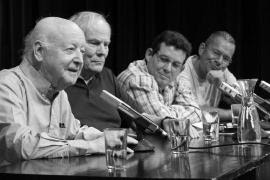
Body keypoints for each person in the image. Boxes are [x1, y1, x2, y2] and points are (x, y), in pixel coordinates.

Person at [0, 17, 137, 164]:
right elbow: (19, 145)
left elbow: (74, 133)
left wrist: (108, 138)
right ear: (39, 51)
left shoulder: (59, 92)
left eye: (82, 51)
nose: (80, 60)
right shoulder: (6, 85)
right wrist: (90, 146)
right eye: (71, 49)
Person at [117, 30, 202, 136]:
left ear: (182, 69)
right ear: (149, 54)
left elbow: (196, 112)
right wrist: (175, 114)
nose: (168, 68)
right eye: (163, 59)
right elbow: (160, 122)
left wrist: (169, 112)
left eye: (175, 65)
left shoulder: (176, 77)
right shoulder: (137, 78)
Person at [176, 31, 239, 121]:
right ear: (202, 49)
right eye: (216, 53)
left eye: (226, 58)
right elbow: (191, 112)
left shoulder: (223, 71)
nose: (220, 61)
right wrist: (230, 114)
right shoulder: (182, 71)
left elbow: (243, 100)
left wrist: (226, 90)